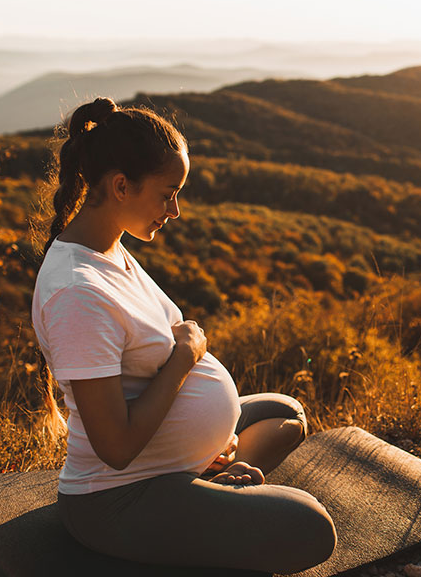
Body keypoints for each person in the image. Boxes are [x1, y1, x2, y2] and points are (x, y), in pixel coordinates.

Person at [31, 97, 337, 574]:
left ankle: (209, 478)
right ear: (120, 186)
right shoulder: (77, 292)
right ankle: (205, 492)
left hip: (166, 462)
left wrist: (202, 434)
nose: (175, 210)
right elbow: (114, 448)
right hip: (119, 498)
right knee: (311, 527)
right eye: (168, 193)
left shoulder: (112, 249)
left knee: (286, 413)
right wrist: (186, 355)